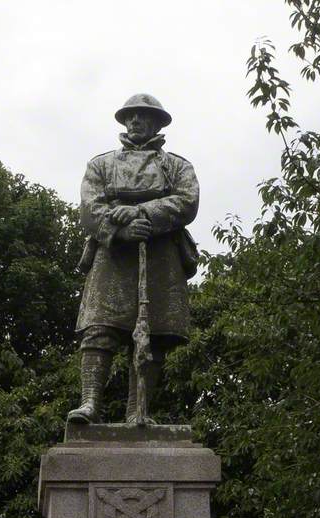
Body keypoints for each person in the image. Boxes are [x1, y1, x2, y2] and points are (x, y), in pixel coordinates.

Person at [67, 94, 199, 425]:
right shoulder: (102, 164)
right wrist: (121, 228)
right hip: (112, 254)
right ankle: (90, 403)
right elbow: (89, 207)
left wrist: (144, 214)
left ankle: (136, 410)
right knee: (99, 328)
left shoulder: (177, 166)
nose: (136, 120)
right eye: (131, 116)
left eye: (143, 115)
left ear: (157, 122)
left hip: (161, 255)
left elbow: (186, 202)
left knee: (153, 335)